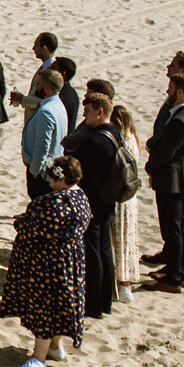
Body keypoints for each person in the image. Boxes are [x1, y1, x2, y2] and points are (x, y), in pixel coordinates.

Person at [0, 156, 90, 367]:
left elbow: (36, 228)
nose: (49, 182)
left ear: (63, 178)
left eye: (52, 178)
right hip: (69, 261)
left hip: (48, 262)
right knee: (60, 304)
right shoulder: (81, 196)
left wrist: (20, 221)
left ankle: (39, 358)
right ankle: (55, 346)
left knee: (45, 307)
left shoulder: (57, 202)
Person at [63, 91, 121, 320]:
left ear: (100, 112)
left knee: (92, 251)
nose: (84, 116)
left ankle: (94, 303)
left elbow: (76, 170)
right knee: (104, 249)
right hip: (107, 200)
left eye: (87, 112)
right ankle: (105, 300)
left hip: (93, 202)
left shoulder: (96, 141)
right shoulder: (114, 133)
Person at [142, 69, 184, 293]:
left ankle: (175, 277)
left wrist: (150, 165)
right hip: (181, 178)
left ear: (181, 92)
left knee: (173, 229)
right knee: (179, 227)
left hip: (173, 180)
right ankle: (175, 270)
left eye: (172, 89)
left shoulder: (180, 120)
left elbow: (166, 152)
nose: (168, 91)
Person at [109, 102, 145, 303]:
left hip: (121, 198)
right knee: (126, 239)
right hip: (130, 198)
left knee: (120, 239)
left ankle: (123, 284)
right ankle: (124, 283)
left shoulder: (124, 143)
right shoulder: (133, 140)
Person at [19, 67, 70, 195]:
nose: (36, 86)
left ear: (47, 88)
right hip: (50, 170)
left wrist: (34, 171)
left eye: (39, 84)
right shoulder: (59, 105)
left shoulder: (46, 112)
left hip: (42, 174)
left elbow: (42, 146)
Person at [7, 31, 60, 117]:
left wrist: (22, 99)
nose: (33, 48)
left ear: (44, 48)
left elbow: (46, 101)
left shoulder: (52, 71)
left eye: (36, 45)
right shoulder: (45, 66)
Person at [50, 56, 81, 131]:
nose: (49, 70)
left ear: (63, 74)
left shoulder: (63, 96)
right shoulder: (70, 92)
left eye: (53, 68)